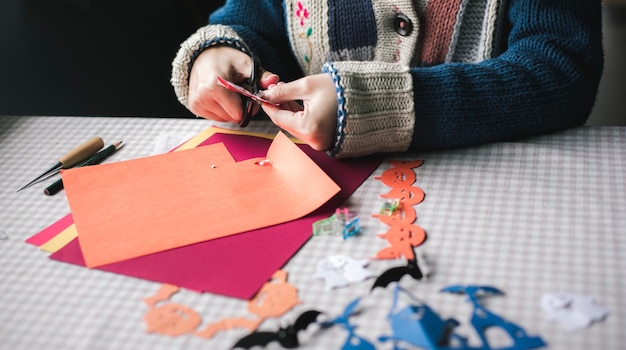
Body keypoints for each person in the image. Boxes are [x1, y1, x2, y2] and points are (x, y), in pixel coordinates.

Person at [171, 0, 603, 158]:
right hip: (324, 210)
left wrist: (383, 105)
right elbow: (251, 22)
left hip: (494, 201)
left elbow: (560, 72)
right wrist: (215, 53)